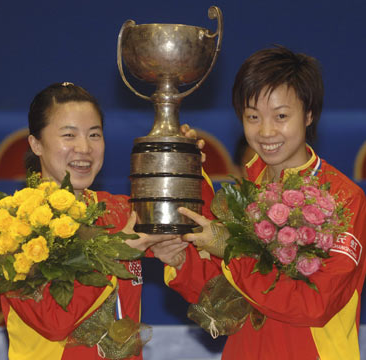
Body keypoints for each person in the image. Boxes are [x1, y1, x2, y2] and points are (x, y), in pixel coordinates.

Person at [152, 46, 366, 359]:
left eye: (281, 116)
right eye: (253, 116)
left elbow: (315, 305)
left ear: (309, 114)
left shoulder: (343, 197)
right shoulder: (244, 191)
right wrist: (181, 261)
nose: (266, 131)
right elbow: (220, 298)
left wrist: (230, 251)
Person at [0, 82, 185, 360]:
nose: (84, 148)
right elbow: (54, 322)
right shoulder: (16, 228)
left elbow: (182, 237)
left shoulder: (116, 211)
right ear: (36, 144)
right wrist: (117, 253)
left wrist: (184, 164)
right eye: (69, 135)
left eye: (94, 134)